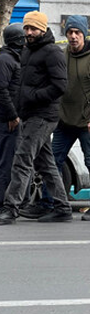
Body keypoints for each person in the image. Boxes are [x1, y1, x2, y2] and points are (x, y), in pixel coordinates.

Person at [23, 15, 90, 221]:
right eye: (70, 32)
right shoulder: (63, 55)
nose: (73, 37)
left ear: (84, 34)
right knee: (51, 162)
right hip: (64, 121)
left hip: (88, 122)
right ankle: (47, 203)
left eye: (77, 33)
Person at [0, 11, 72, 225]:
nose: (29, 32)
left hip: (43, 116)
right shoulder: (27, 52)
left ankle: (10, 208)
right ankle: (63, 207)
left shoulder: (52, 53)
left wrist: (33, 97)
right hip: (30, 115)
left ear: (43, 29)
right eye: (27, 28)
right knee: (46, 164)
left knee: (21, 160)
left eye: (33, 29)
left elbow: (60, 86)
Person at [0, 24, 25, 206]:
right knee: (6, 163)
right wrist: (12, 115)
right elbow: (2, 90)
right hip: (6, 121)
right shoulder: (7, 60)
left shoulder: (11, 58)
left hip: (8, 118)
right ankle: (3, 202)